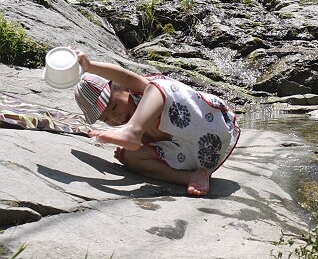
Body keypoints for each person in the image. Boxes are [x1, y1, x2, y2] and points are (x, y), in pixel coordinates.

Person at [73, 51, 240, 196]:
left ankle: (131, 133)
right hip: (199, 159)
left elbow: (125, 76)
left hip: (212, 126)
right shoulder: (141, 125)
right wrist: (129, 156)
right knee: (132, 157)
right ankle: (190, 178)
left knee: (156, 87)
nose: (115, 118)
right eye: (106, 119)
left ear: (124, 89)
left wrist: (89, 66)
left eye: (114, 107)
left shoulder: (141, 91)